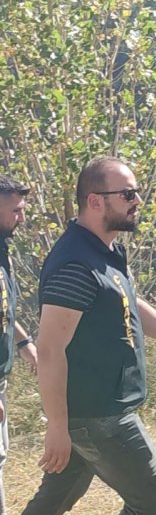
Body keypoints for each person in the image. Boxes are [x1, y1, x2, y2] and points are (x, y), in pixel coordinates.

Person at [26, 156, 156, 515]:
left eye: (137, 193)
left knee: (54, 501)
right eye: (128, 194)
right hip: (99, 415)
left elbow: (128, 301)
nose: (138, 202)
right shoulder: (76, 265)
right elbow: (50, 349)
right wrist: (57, 425)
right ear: (95, 200)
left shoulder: (108, 250)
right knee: (155, 500)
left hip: (100, 407)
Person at [0, 176, 38, 513]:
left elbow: (3, 310)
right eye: (16, 210)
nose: (21, 217)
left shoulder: (2, 249)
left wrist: (25, 343)